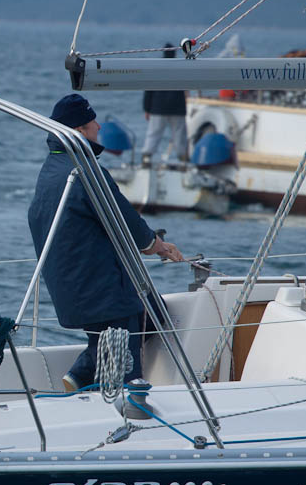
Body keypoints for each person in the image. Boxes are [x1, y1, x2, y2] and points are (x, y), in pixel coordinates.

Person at [28, 94, 183, 392]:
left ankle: (78, 377)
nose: (99, 126)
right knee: (125, 367)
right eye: (92, 122)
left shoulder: (51, 168)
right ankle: (128, 413)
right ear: (80, 131)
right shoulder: (86, 171)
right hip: (104, 291)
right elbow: (125, 220)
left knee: (154, 312)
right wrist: (158, 245)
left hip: (73, 289)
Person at [141, 43, 188, 164]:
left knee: (154, 133)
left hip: (158, 107)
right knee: (179, 135)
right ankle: (183, 159)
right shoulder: (181, 68)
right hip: (178, 107)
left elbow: (148, 90)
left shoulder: (156, 67)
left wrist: (146, 109)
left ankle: (147, 157)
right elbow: (186, 88)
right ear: (174, 53)